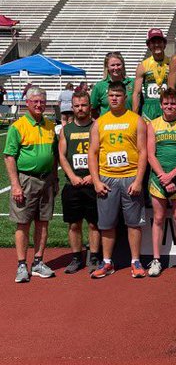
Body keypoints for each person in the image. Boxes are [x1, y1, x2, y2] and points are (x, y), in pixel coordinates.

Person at [88, 80, 147, 279]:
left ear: (125, 97)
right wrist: (96, 181)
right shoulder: (100, 122)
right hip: (107, 179)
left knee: (133, 223)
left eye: (118, 95)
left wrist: (139, 180)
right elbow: (93, 153)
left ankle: (135, 261)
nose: (114, 98)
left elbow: (143, 152)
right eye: (111, 95)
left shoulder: (136, 120)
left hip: (130, 177)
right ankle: (106, 262)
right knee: (106, 223)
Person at [4, 86, 59, 281]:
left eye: (42, 101)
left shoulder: (50, 126)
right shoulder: (17, 127)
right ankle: (21, 265)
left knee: (43, 222)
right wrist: (15, 185)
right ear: (27, 103)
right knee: (23, 223)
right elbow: (9, 157)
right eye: (34, 101)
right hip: (26, 179)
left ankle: (38, 261)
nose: (38, 104)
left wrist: (55, 178)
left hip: (47, 180)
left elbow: (54, 156)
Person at [145, 87, 176, 277]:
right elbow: (150, 154)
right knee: (158, 219)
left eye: (173, 103)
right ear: (160, 105)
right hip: (158, 180)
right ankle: (156, 260)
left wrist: (171, 176)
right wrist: (163, 178)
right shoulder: (153, 125)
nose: (169, 106)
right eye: (166, 103)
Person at [58, 89, 101, 274]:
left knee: (94, 223)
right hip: (73, 184)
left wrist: (94, 176)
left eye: (84, 105)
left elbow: (103, 153)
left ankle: (93, 256)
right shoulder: (66, 130)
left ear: (90, 106)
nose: (80, 108)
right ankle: (76, 257)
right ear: (72, 107)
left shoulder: (97, 126)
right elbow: (62, 156)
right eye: (77, 106)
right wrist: (73, 177)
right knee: (74, 224)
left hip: (93, 183)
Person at [132, 28, 170, 121]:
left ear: (164, 44)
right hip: (149, 107)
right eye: (153, 42)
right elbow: (137, 93)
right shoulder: (142, 66)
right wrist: (134, 117)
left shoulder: (172, 63)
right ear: (148, 45)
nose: (156, 45)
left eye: (159, 42)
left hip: (168, 105)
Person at [91, 52, 134, 117]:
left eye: (118, 64)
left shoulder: (133, 83)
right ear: (107, 67)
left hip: (129, 123)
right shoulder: (99, 86)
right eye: (112, 65)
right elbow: (92, 109)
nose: (116, 68)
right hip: (107, 125)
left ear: (123, 65)